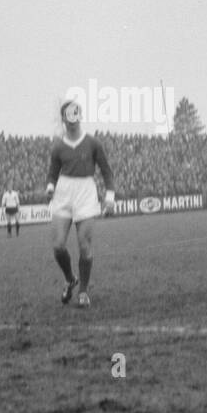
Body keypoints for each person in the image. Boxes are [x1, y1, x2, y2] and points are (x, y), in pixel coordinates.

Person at [47, 99, 115, 308]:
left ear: (80, 117)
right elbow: (53, 173)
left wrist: (109, 197)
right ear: (64, 120)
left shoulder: (93, 143)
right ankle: (70, 279)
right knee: (58, 246)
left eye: (76, 117)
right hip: (64, 192)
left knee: (85, 245)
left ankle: (83, 291)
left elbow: (106, 171)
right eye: (69, 118)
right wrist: (50, 187)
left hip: (86, 192)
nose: (73, 122)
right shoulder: (58, 146)